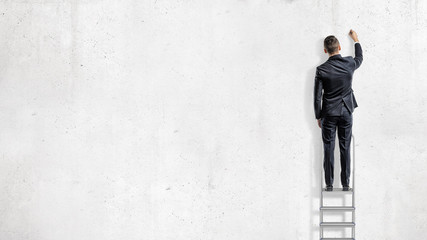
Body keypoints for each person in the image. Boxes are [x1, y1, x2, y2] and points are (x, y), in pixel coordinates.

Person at [314, 29, 363, 191]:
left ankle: (328, 184)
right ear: (340, 47)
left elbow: (317, 97)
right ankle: (346, 183)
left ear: (325, 50)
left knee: (328, 147)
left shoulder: (321, 70)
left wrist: (318, 116)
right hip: (346, 112)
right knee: (345, 147)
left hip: (328, 113)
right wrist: (355, 40)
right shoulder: (349, 63)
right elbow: (360, 58)